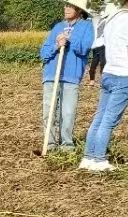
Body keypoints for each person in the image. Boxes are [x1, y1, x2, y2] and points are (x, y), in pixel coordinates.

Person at [80, 0, 128, 171]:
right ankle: (99, 160)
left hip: (108, 73)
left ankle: (88, 158)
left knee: (100, 118)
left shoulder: (111, 19)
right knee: (108, 121)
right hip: (124, 74)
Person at [40, 0, 95, 153]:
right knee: (49, 112)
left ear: (79, 10)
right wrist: (56, 45)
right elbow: (44, 53)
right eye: (65, 5)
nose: (66, 8)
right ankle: (50, 144)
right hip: (51, 75)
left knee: (68, 113)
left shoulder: (87, 27)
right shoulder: (57, 27)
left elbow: (84, 48)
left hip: (71, 76)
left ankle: (66, 145)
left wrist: (70, 39)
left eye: (70, 6)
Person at [87, 4, 106, 82]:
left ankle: (103, 80)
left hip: (103, 44)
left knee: (103, 63)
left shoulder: (105, 20)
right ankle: (92, 80)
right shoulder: (93, 19)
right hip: (95, 45)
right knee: (93, 64)